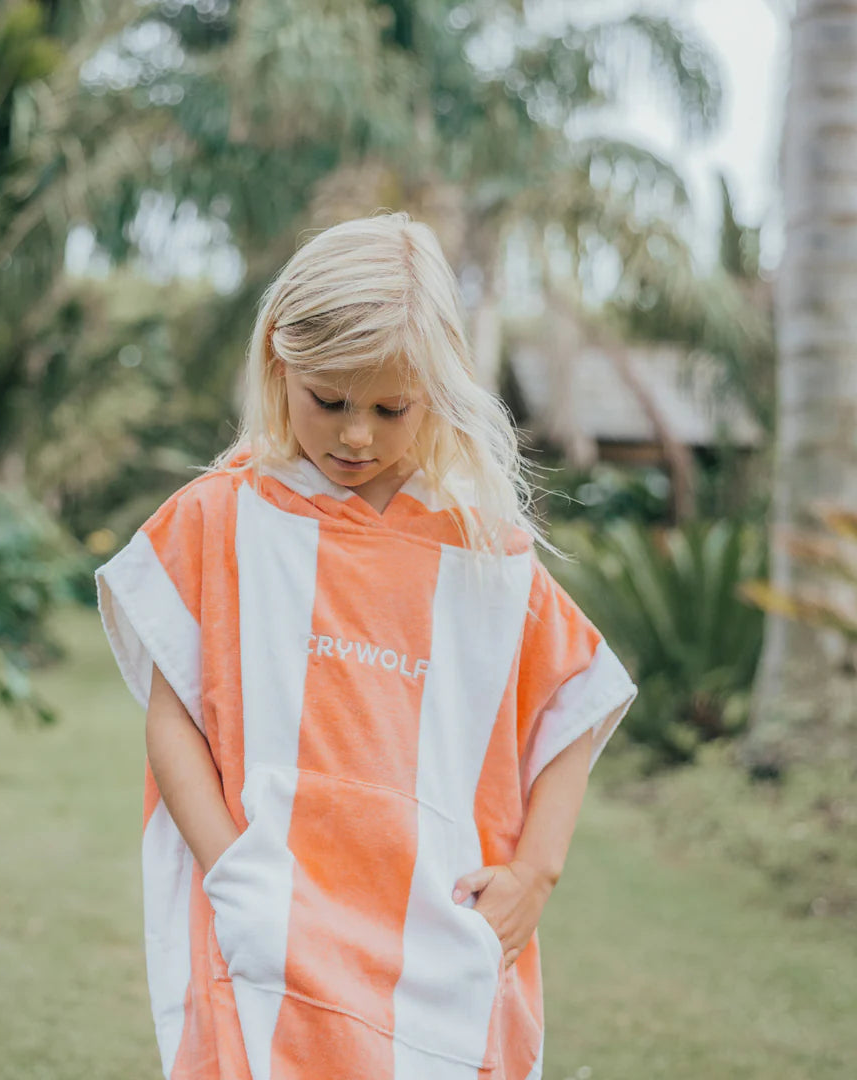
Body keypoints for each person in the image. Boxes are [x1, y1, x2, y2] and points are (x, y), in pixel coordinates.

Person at [94, 211, 638, 1080]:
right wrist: (231, 874)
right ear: (281, 363)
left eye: (391, 408)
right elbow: (174, 720)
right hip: (270, 923)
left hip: (438, 941)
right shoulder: (221, 520)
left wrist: (536, 873)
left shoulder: (479, 550)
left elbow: (573, 703)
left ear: (439, 389)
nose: (356, 435)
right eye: (330, 401)